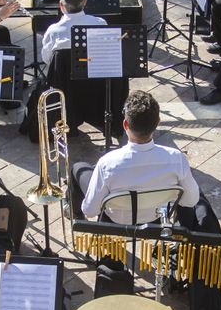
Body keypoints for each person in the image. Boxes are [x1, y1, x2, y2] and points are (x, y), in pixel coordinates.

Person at [74, 91, 201, 221]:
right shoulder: (176, 159)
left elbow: (90, 211)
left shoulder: (106, 164)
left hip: (116, 227)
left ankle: (73, 213)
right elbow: (191, 201)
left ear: (125, 125)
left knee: (78, 168)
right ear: (157, 123)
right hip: (156, 223)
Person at [38, 0, 107, 75]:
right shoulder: (100, 23)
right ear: (85, 1)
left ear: (61, 5)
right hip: (95, 82)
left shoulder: (53, 31)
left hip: (63, 85)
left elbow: (47, 60)